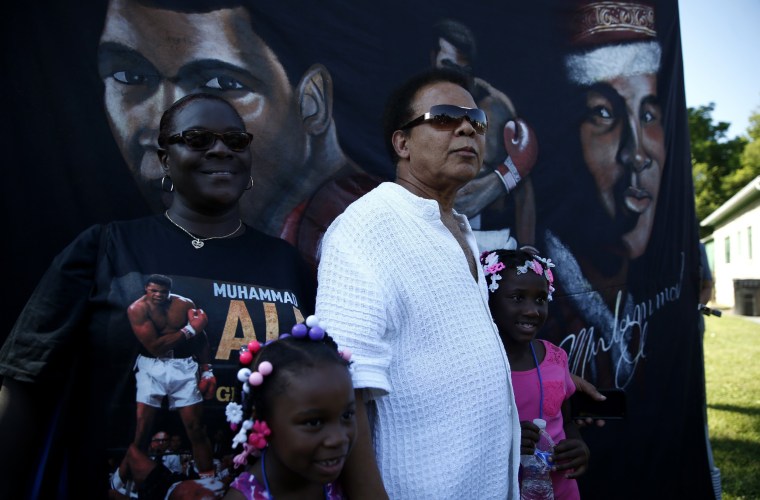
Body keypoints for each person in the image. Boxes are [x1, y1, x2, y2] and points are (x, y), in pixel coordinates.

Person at [0, 93, 315, 498]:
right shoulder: (107, 249)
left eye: (235, 141)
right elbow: (26, 382)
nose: (220, 149)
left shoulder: (286, 264)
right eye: (198, 138)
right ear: (166, 159)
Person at [316, 67, 521, 498]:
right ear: (402, 143)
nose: (467, 127)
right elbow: (344, 388)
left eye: (477, 121)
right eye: (445, 117)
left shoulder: (457, 228)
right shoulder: (366, 227)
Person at [97, 0, 383, 269]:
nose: (168, 123)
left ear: (311, 101)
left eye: (220, 83)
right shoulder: (117, 251)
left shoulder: (363, 240)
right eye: (129, 77)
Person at [541, 0, 666, 388]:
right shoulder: (535, 287)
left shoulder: (647, 274)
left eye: (648, 115)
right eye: (604, 114)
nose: (637, 154)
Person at [482, 248, 590, 499]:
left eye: (540, 299)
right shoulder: (477, 366)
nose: (532, 310)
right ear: (487, 298)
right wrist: (505, 440)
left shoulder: (555, 358)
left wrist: (578, 447)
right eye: (518, 298)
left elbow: (565, 419)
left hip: (559, 490)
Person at [429, 18, 540, 250]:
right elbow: (444, 199)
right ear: (433, 59)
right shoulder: (420, 107)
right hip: (432, 237)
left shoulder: (494, 108)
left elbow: (523, 189)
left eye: (462, 70)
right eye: (447, 66)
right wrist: (511, 172)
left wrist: (528, 249)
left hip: (487, 240)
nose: (454, 78)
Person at [223, 317, 354, 499]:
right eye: (314, 422)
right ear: (262, 421)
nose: (339, 439)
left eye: (347, 415)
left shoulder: (347, 479)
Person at [128, 274, 215, 475]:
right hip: (151, 367)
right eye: (154, 291)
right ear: (146, 290)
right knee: (142, 430)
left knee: (196, 427)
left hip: (183, 365)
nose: (159, 295)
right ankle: (127, 483)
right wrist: (190, 329)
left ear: (170, 292)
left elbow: (200, 338)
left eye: (163, 292)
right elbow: (156, 347)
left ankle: (209, 481)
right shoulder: (137, 309)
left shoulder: (184, 305)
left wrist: (207, 370)